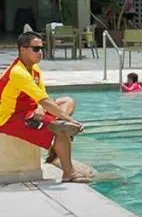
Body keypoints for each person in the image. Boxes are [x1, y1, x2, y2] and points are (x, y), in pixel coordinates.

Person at [0, 32, 89, 183]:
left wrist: (40, 109)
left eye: (41, 48)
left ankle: (61, 131)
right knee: (60, 129)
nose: (40, 52)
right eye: (35, 49)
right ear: (22, 50)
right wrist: (69, 119)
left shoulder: (34, 70)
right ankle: (69, 173)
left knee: (67, 101)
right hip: (9, 117)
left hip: (30, 110)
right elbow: (45, 101)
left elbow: (42, 97)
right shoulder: (18, 72)